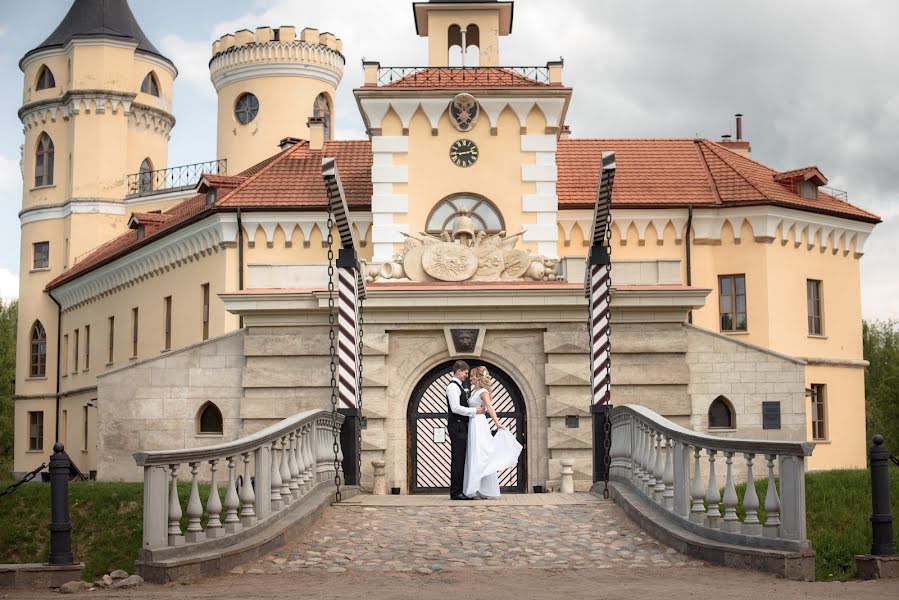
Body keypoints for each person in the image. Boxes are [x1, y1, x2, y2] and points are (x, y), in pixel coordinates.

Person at [463, 366, 523, 499]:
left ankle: (479, 488)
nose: (470, 379)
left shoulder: (483, 391)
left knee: (480, 453)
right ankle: (476, 488)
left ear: (478, 378)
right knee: (474, 453)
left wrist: (497, 423)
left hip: (479, 424)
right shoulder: (475, 391)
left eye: (472, 376)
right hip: (473, 423)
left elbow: (489, 407)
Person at [446, 360, 485, 500]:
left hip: (461, 426)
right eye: (465, 373)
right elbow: (455, 408)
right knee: (458, 459)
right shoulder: (452, 387)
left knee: (462, 459)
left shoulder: (459, 387)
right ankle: (456, 492)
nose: (466, 376)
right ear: (458, 371)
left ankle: (461, 489)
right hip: (457, 426)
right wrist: (475, 410)